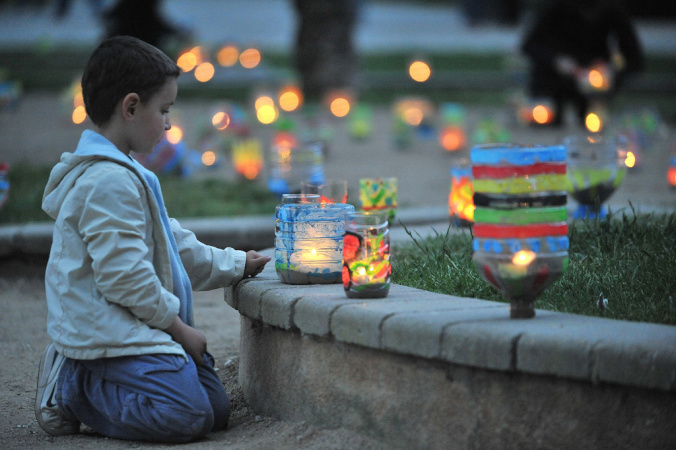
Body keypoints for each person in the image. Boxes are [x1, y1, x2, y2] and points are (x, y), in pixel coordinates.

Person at [35, 35, 271, 443]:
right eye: (163, 110)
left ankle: (117, 381)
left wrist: (236, 264)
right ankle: (71, 385)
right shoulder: (107, 183)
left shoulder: (128, 174)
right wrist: (179, 329)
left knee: (214, 411)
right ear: (130, 107)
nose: (168, 122)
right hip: (106, 336)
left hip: (140, 328)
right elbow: (123, 276)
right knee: (185, 416)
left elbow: (172, 245)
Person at [521, 0, 644, 126]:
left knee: (594, 124)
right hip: (552, 81)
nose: (589, 16)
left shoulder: (613, 10)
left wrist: (612, 71)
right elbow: (530, 45)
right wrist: (557, 60)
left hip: (592, 88)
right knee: (545, 120)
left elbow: (634, 58)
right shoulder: (556, 7)